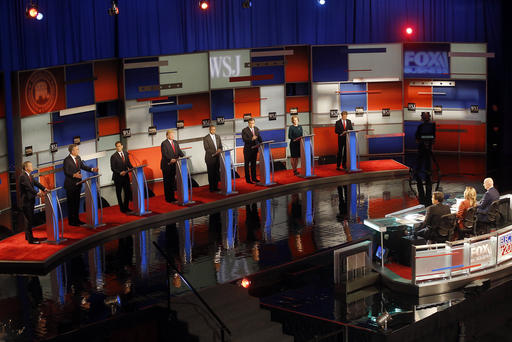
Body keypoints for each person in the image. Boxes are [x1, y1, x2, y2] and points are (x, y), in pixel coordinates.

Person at [63, 144, 98, 226]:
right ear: (72, 151)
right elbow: (66, 171)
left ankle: (77, 220)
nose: (78, 151)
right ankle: (71, 222)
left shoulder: (78, 158)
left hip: (78, 184)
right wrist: (74, 175)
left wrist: (92, 169)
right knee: (71, 204)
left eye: (78, 149)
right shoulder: (66, 160)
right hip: (70, 186)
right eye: (77, 149)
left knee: (77, 203)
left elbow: (83, 166)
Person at [19, 161, 48, 244]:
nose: (32, 167)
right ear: (26, 168)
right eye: (30, 166)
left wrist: (44, 188)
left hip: (30, 200)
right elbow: (28, 187)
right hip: (26, 202)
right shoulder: (23, 176)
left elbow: (36, 183)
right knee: (29, 220)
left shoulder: (29, 175)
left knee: (28, 219)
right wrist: (37, 193)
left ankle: (27, 237)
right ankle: (31, 240)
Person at [414, 112, 436, 206]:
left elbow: (432, 136)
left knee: (426, 160)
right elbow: (417, 136)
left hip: (426, 146)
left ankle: (424, 172)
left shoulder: (431, 126)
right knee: (421, 160)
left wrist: (426, 141)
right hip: (422, 146)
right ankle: (419, 172)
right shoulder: (421, 126)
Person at [160, 129, 184, 203]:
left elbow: (179, 151)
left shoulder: (176, 142)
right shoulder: (164, 143)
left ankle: (172, 197)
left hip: (174, 165)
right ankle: (168, 198)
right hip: (167, 165)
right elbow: (164, 154)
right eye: (171, 135)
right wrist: (170, 159)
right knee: (167, 182)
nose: (173, 136)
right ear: (167, 136)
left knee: (172, 182)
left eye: (173, 134)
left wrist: (183, 156)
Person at [110, 141, 133, 213]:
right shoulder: (113, 156)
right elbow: (113, 168)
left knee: (127, 192)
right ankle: (122, 208)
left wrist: (133, 169)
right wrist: (120, 172)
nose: (118, 147)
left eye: (119, 146)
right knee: (119, 193)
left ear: (122, 146)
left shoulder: (126, 154)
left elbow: (128, 163)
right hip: (118, 177)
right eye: (117, 146)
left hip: (126, 176)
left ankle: (126, 207)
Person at [241, 118, 262, 184]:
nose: (252, 124)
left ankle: (254, 178)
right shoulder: (244, 130)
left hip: (254, 150)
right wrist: (251, 139)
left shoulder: (256, 129)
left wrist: (262, 143)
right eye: (251, 123)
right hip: (247, 150)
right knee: (247, 165)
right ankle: (248, 179)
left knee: (253, 165)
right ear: (248, 123)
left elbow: (259, 138)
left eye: (253, 123)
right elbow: (244, 139)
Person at [203, 125, 223, 192]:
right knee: (211, 173)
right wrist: (215, 152)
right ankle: (211, 188)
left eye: (214, 129)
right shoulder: (206, 138)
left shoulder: (218, 136)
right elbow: (206, 148)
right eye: (212, 129)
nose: (213, 131)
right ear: (210, 130)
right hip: (210, 158)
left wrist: (220, 149)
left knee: (217, 173)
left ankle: (216, 187)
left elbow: (220, 146)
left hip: (217, 158)